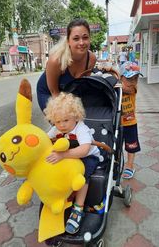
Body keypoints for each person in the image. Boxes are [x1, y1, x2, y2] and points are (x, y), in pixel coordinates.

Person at [44, 92, 100, 234]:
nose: (61, 125)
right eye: (57, 122)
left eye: (66, 120)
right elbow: (45, 139)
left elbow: (84, 149)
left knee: (83, 174)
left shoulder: (81, 128)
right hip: (68, 157)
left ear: (76, 116)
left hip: (88, 156)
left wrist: (63, 155)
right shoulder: (56, 128)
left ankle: (78, 208)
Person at [37, 18, 97, 112]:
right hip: (50, 93)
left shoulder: (91, 59)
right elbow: (54, 92)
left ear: (89, 39)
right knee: (63, 122)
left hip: (68, 93)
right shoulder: (56, 60)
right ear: (68, 41)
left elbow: (81, 85)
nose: (81, 42)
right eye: (76, 39)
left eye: (85, 37)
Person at [120, 61, 142, 179]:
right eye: (129, 78)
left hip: (130, 123)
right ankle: (117, 162)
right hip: (118, 123)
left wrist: (116, 81)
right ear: (121, 77)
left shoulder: (133, 88)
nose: (133, 81)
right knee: (116, 144)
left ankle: (129, 165)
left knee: (131, 146)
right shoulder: (118, 85)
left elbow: (126, 89)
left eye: (136, 78)